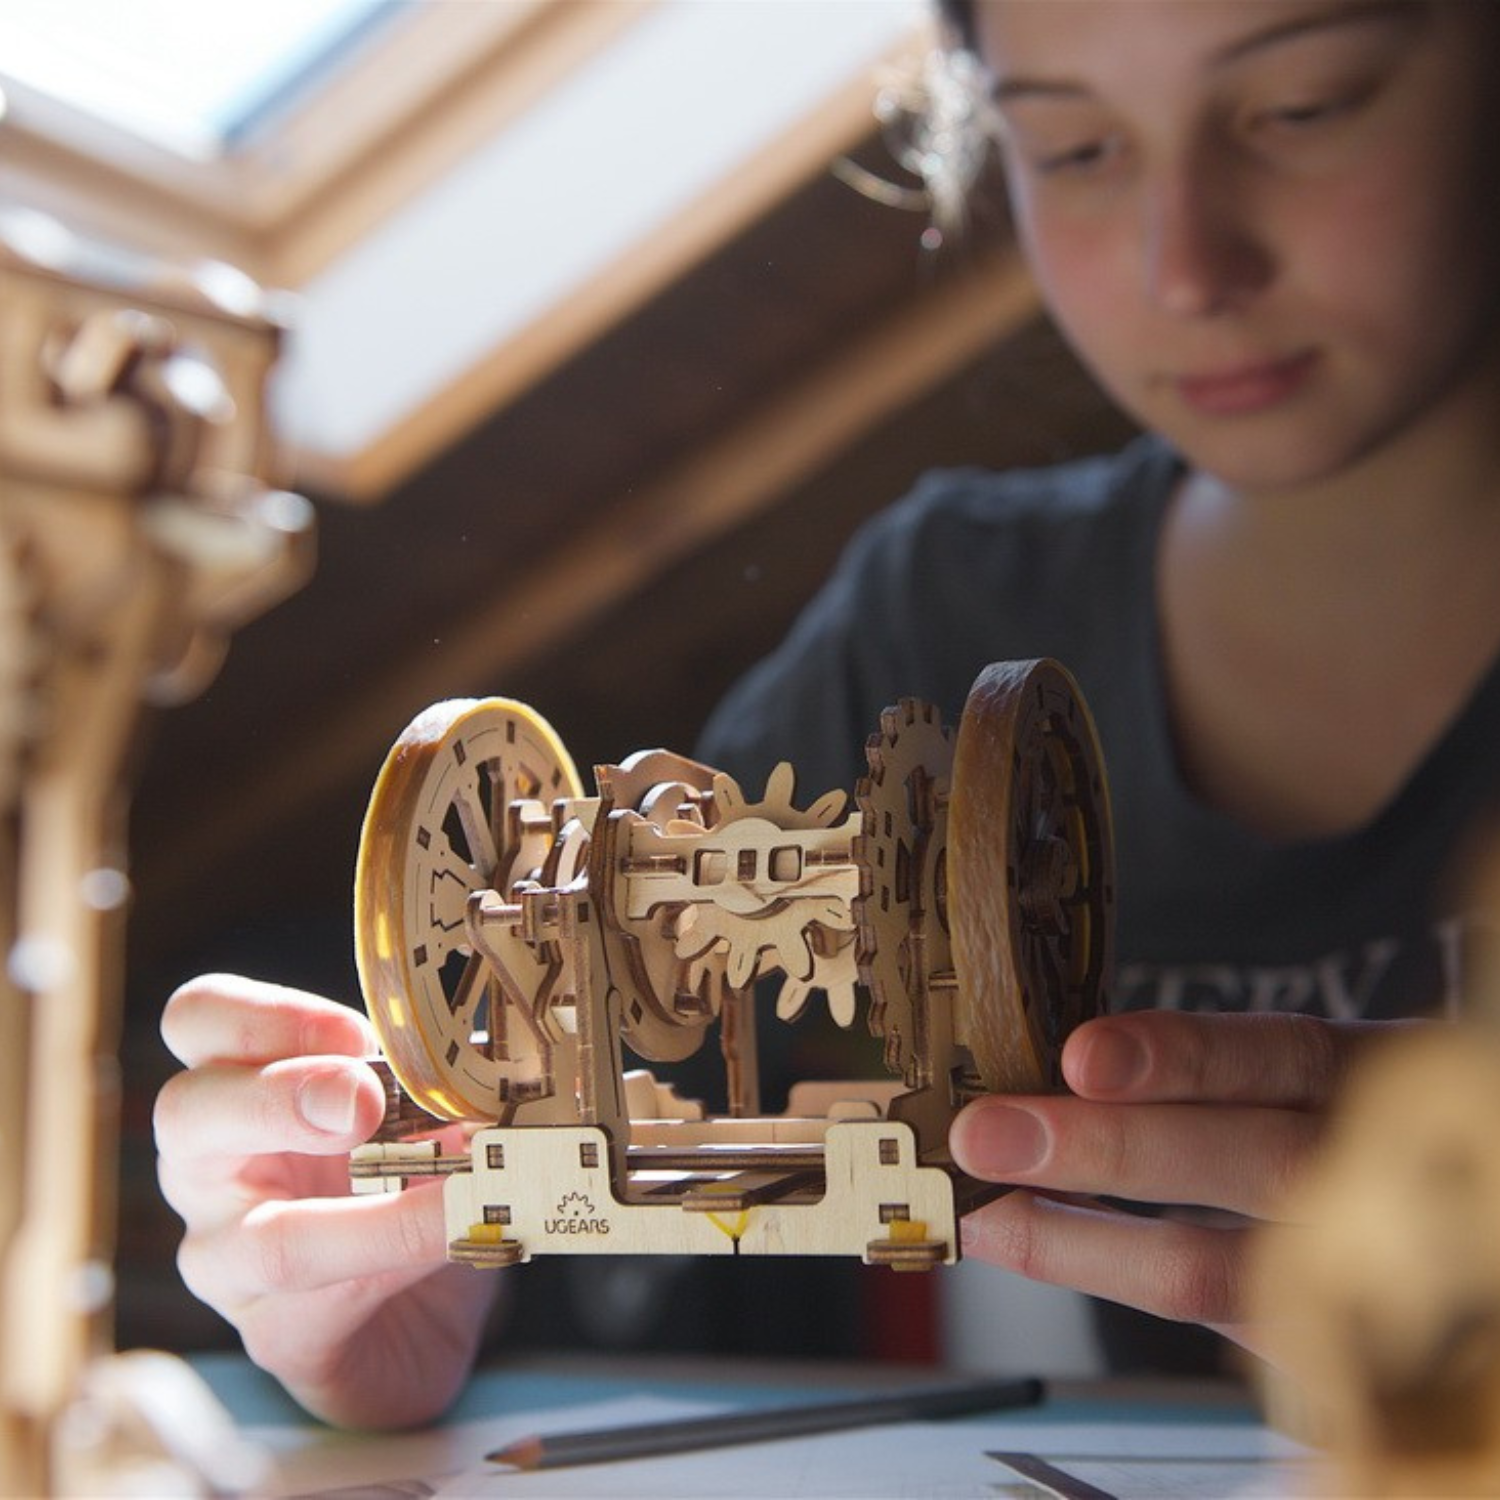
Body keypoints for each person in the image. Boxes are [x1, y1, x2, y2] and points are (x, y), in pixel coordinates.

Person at [153, 0, 1500, 1428]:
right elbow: (599, 1052)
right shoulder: (943, 609)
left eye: (1303, 107)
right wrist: (436, 1283)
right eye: (1074, 143)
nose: (1188, 264)